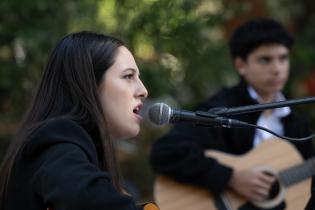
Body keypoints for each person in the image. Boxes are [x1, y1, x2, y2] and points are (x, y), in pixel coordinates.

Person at [150, 18, 315, 209]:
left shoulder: (296, 125)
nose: (277, 69)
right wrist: (230, 177)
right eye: (265, 59)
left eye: (283, 58)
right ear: (241, 65)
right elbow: (164, 152)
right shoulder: (222, 107)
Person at [0, 31, 158, 210]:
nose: (143, 90)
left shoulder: (74, 144)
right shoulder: (56, 141)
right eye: (128, 76)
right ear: (89, 84)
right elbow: (88, 200)